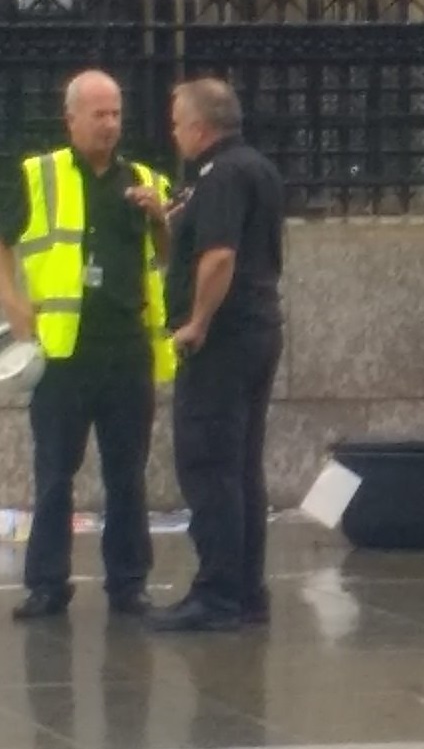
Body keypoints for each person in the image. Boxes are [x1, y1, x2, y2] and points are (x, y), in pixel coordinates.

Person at [0, 71, 176, 621]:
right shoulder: (40, 174)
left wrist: (160, 217)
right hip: (64, 353)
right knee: (55, 471)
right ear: (70, 118)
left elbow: (171, 256)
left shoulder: (147, 180)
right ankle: (48, 584)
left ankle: (129, 584)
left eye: (116, 114)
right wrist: (13, 305)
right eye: (98, 114)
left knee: (128, 472)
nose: (110, 125)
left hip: (126, 347)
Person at [150, 79, 286, 631]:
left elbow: (219, 257)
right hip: (257, 331)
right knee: (240, 467)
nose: (175, 132)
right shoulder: (254, 166)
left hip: (224, 339)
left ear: (201, 127)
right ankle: (246, 590)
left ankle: (219, 593)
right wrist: (165, 218)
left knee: (208, 464)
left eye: (179, 122)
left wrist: (196, 322)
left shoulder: (220, 175)